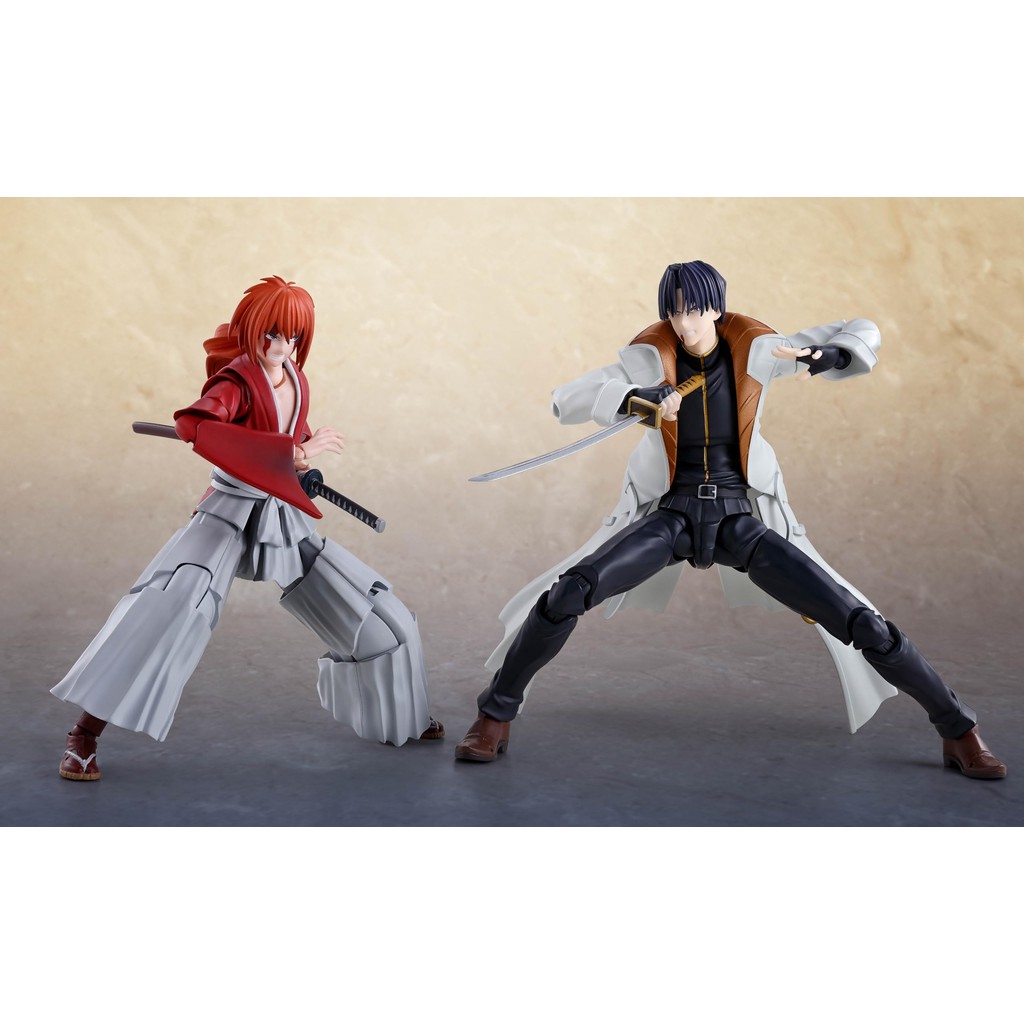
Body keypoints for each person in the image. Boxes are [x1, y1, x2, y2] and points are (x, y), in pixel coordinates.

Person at [455, 260, 1005, 780]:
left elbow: (861, 328)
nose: (684, 323)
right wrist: (634, 397)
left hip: (740, 519)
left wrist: (832, 355)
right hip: (672, 516)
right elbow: (566, 399)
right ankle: (494, 716)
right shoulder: (648, 360)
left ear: (716, 308)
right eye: (674, 311)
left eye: (694, 310)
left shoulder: (760, 350)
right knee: (568, 593)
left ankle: (959, 730)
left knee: (860, 621)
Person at [54, 276, 442, 781]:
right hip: (229, 511)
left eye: (293, 336)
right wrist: (292, 452)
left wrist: (298, 461)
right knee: (168, 608)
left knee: (371, 605)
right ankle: (83, 734)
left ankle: (400, 712)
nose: (282, 346)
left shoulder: (295, 378)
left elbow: (287, 434)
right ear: (252, 330)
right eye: (272, 334)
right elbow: (196, 427)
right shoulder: (235, 382)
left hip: (282, 514)